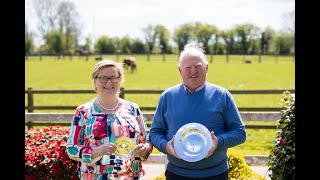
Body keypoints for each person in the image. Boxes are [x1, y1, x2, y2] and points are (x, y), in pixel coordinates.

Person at [149, 42, 246, 180]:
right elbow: (155, 133)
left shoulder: (222, 96)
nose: (193, 72)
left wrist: (217, 142)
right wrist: (166, 146)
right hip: (176, 174)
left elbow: (240, 133)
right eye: (188, 67)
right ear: (179, 70)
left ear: (206, 67)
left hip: (215, 174)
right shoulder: (167, 97)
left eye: (198, 67)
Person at [66, 59, 153, 179]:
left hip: (130, 176)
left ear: (120, 80)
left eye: (113, 78)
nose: (109, 83)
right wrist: (97, 151)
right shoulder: (83, 111)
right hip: (94, 176)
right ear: (95, 81)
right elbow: (71, 149)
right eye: (103, 78)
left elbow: (147, 140)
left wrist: (145, 149)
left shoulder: (133, 109)